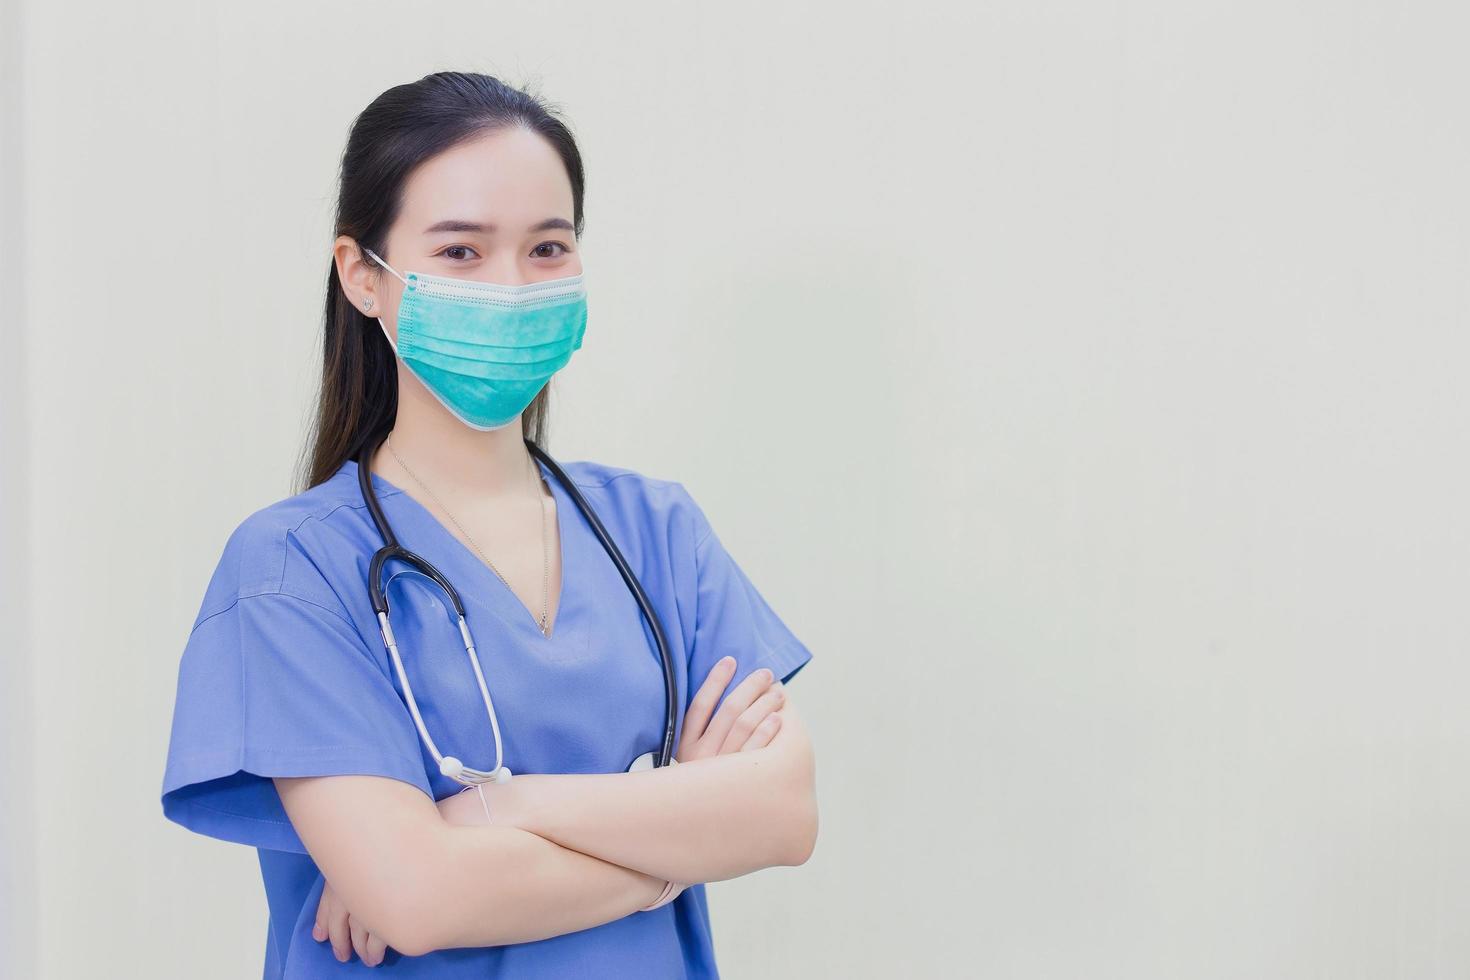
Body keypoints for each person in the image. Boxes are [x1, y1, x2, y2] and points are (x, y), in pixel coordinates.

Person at [159, 71, 817, 978]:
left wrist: (485, 811)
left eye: (548, 248)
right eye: (462, 252)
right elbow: (417, 899)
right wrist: (675, 831)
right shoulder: (293, 568)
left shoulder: (655, 530)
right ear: (362, 276)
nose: (511, 286)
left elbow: (782, 815)